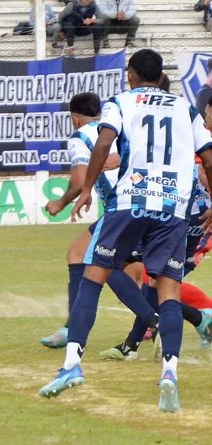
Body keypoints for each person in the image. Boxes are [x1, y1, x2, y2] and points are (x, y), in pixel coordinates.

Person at [39, 49, 212, 413]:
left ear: (131, 75)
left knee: (93, 276)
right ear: (161, 75)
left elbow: (104, 143)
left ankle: (71, 365)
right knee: (167, 290)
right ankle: (170, 374)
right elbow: (208, 157)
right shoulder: (185, 108)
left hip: (130, 201)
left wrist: (86, 190)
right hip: (173, 207)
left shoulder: (121, 101)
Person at [40, 92, 160, 350]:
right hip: (152, 201)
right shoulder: (120, 124)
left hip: (122, 208)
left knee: (91, 258)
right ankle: (168, 320)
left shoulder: (80, 136)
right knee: (124, 269)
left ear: (74, 118)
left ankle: (155, 319)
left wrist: (61, 202)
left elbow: (81, 180)